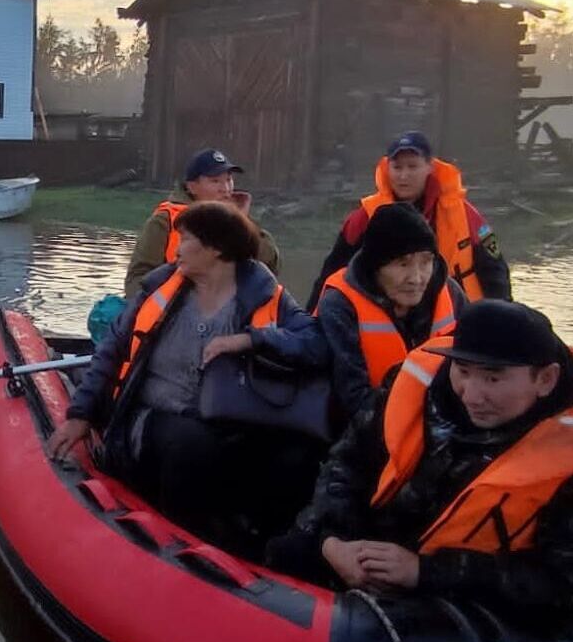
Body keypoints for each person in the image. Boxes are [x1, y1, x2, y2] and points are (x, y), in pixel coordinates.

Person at [267, 300, 573, 632]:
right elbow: (348, 464)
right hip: (364, 553)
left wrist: (424, 573)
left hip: (469, 607)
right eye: (464, 372)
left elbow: (567, 588)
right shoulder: (413, 390)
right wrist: (334, 541)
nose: (473, 395)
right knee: (284, 547)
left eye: (493, 379)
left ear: (545, 379)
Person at [48, 201, 328, 549]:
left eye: (186, 240)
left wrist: (251, 338)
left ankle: (269, 548)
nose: (177, 248)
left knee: (296, 455)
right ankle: (187, 545)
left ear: (216, 249)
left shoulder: (265, 294)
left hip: (232, 420)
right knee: (192, 443)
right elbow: (110, 352)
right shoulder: (160, 289)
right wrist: (80, 415)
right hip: (153, 418)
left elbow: (315, 344)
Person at [306, 132, 510, 310]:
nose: (404, 176)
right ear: (387, 168)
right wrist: (310, 321)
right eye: (397, 167)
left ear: (430, 166)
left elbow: (496, 270)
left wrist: (503, 318)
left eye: (412, 167)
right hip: (392, 316)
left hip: (459, 317)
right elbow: (331, 274)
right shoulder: (364, 218)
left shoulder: (467, 215)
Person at [315, 202, 467, 415]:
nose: (416, 278)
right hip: (365, 429)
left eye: (426, 262)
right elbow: (352, 401)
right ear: (375, 267)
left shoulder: (449, 292)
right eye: (403, 264)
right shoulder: (339, 305)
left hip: (442, 419)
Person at [124, 148, 280, 298]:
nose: (225, 189)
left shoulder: (238, 219)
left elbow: (270, 265)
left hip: (228, 313)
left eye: (229, 179)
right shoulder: (164, 221)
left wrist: (243, 223)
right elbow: (136, 279)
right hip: (173, 313)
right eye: (215, 181)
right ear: (192, 187)